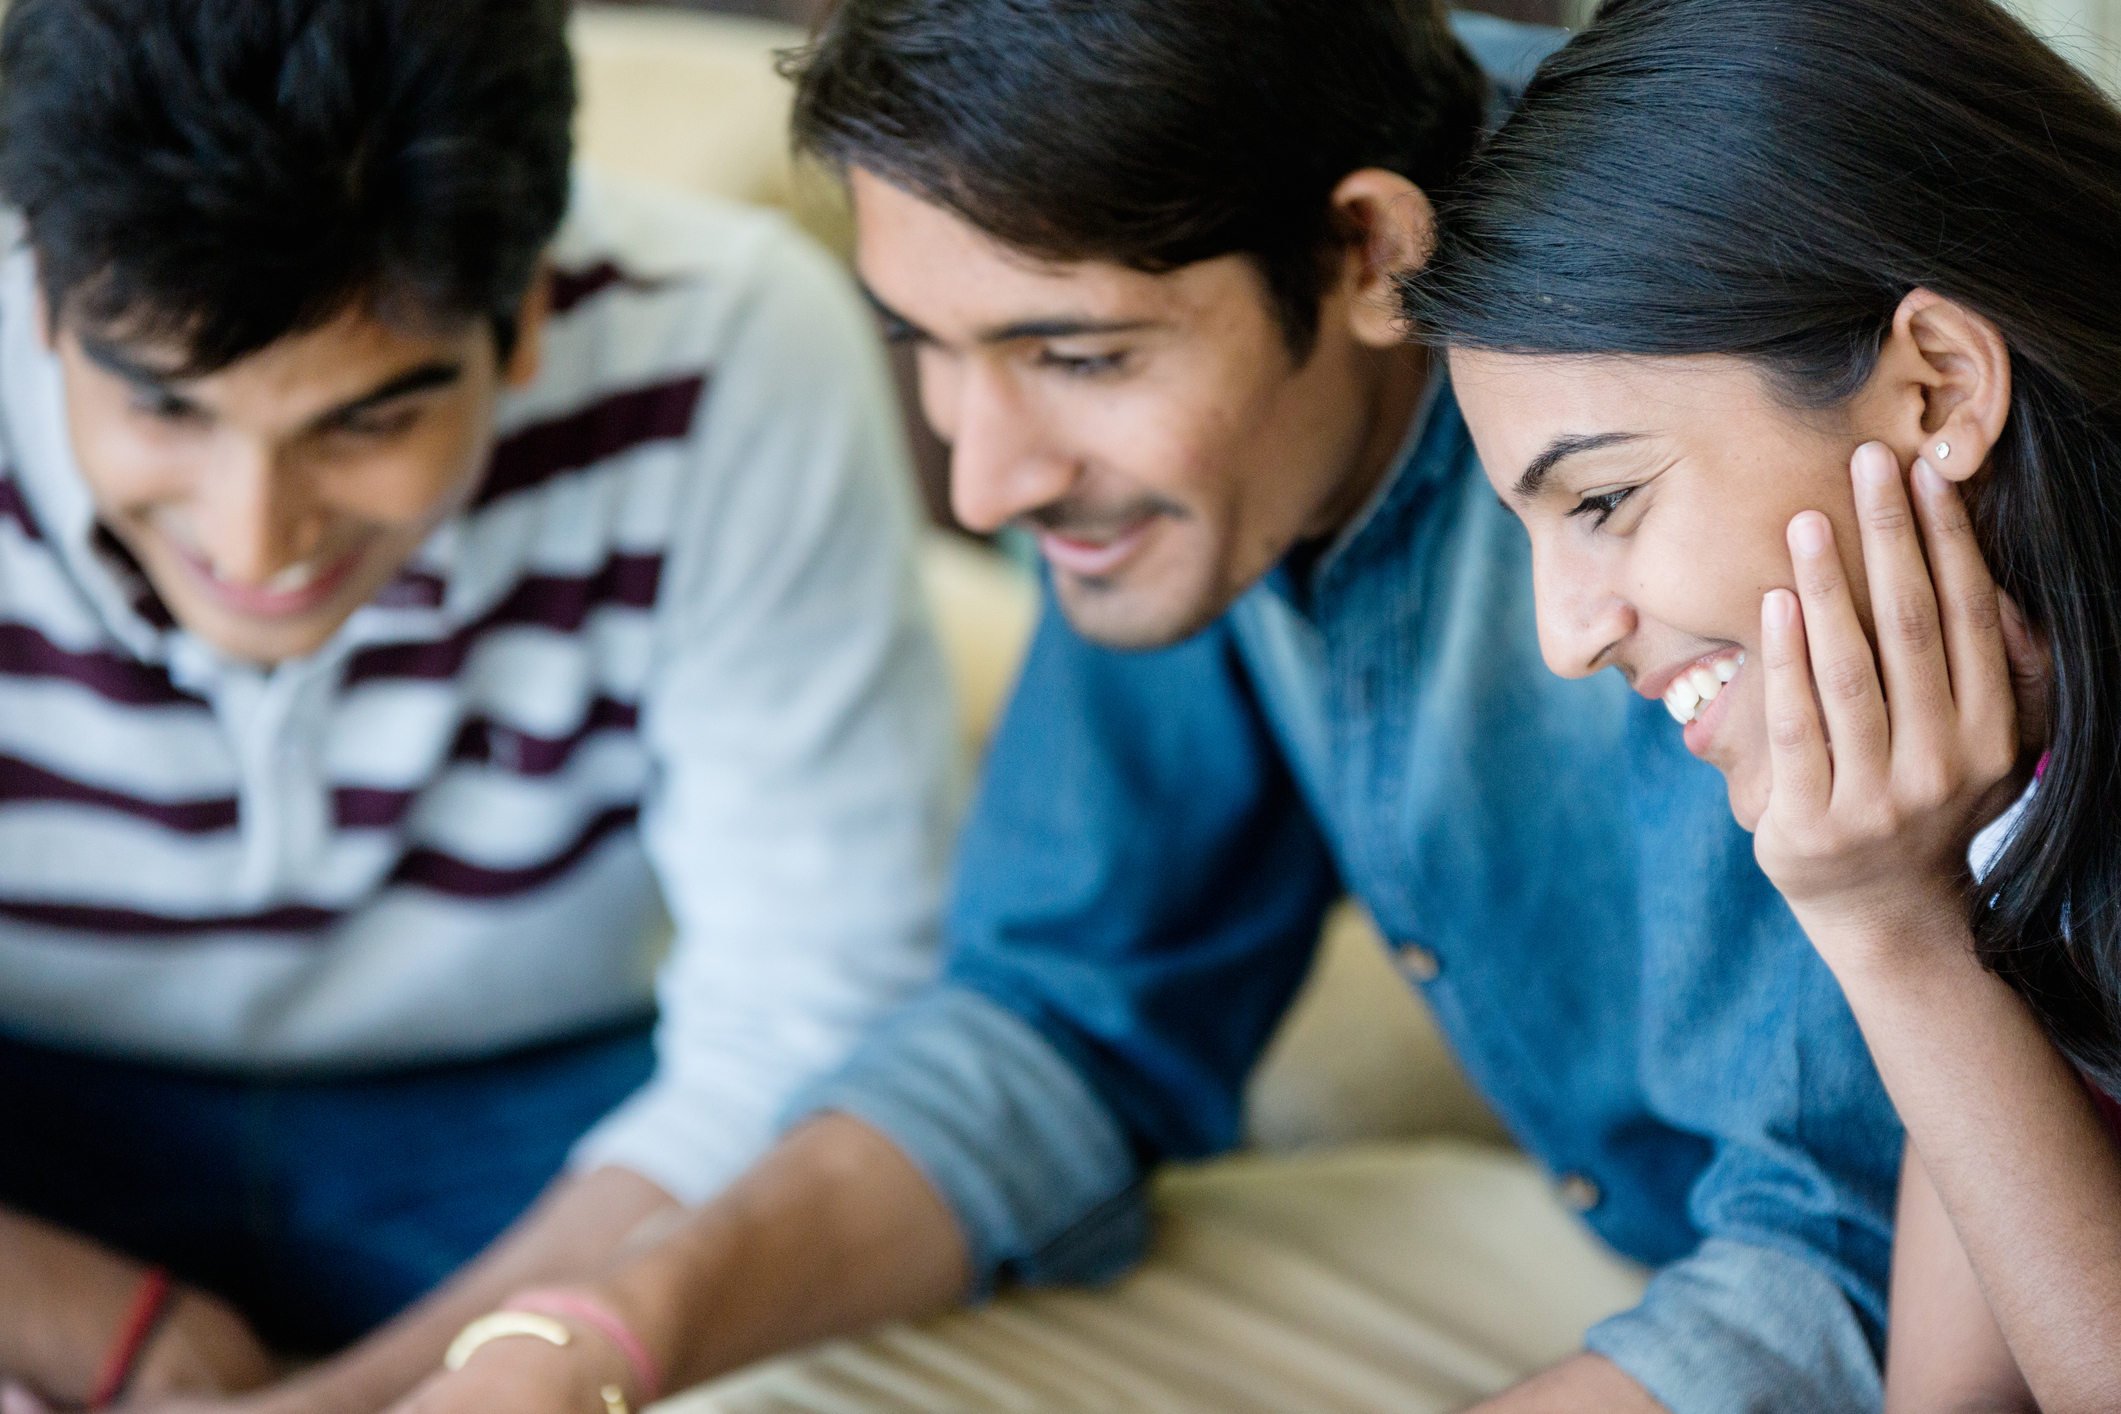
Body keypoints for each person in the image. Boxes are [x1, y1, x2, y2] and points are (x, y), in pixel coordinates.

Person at [392, 3, 1907, 1412]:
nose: (988, 482)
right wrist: (595, 1333)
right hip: (1612, 1239)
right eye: (929, 347)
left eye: (1077, 355)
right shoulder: (1197, 470)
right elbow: (1060, 1015)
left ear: (1369, 252)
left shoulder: (1690, 373)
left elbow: (1859, 1255)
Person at [0, 0, 955, 1410]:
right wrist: (87, 1321)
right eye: (167, 409)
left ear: (525, 320)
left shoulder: (734, 346)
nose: (253, 545)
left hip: (539, 1130)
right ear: (47, 299)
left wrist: (373, 1398)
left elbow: (813, 1009)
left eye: (367, 419)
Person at [1399, 0, 2121, 1408]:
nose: (1565, 634)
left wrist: (1895, 936)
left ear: (1934, 387)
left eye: (1603, 499)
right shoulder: (2014, 767)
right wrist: (1921, 922)